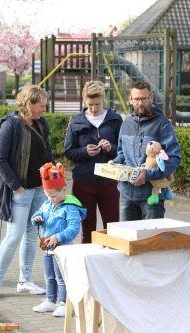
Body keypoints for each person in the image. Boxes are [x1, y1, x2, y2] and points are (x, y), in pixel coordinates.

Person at [0, 85, 53, 299]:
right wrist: (16, 185)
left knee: (32, 235)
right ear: (29, 104)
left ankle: (25, 280)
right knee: (13, 236)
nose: (44, 109)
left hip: (40, 189)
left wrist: (54, 175)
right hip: (20, 191)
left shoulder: (41, 124)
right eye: (41, 105)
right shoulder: (11, 125)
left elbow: (46, 152)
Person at [111, 81, 181, 221]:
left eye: (144, 98)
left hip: (152, 196)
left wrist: (148, 174)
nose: (140, 103)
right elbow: (122, 154)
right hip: (126, 194)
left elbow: (174, 158)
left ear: (151, 98)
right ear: (130, 100)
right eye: (137, 99)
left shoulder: (162, 124)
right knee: (128, 239)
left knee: (151, 239)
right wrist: (114, 162)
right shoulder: (126, 124)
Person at [64, 80, 122, 243]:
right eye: (90, 105)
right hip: (83, 182)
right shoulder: (75, 121)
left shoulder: (115, 119)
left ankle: (111, 265)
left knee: (112, 227)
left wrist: (110, 147)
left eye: (97, 104)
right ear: (84, 102)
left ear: (103, 100)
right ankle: (87, 266)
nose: (94, 109)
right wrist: (84, 152)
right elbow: (68, 151)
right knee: (87, 228)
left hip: (109, 181)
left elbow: (124, 150)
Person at [31, 162, 86, 317]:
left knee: (61, 277)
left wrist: (58, 237)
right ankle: (50, 300)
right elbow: (36, 215)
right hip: (47, 248)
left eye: (54, 196)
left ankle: (64, 303)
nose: (51, 199)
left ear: (64, 189)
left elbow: (74, 228)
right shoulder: (47, 203)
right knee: (48, 276)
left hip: (63, 249)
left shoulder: (70, 206)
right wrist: (36, 219)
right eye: (48, 195)